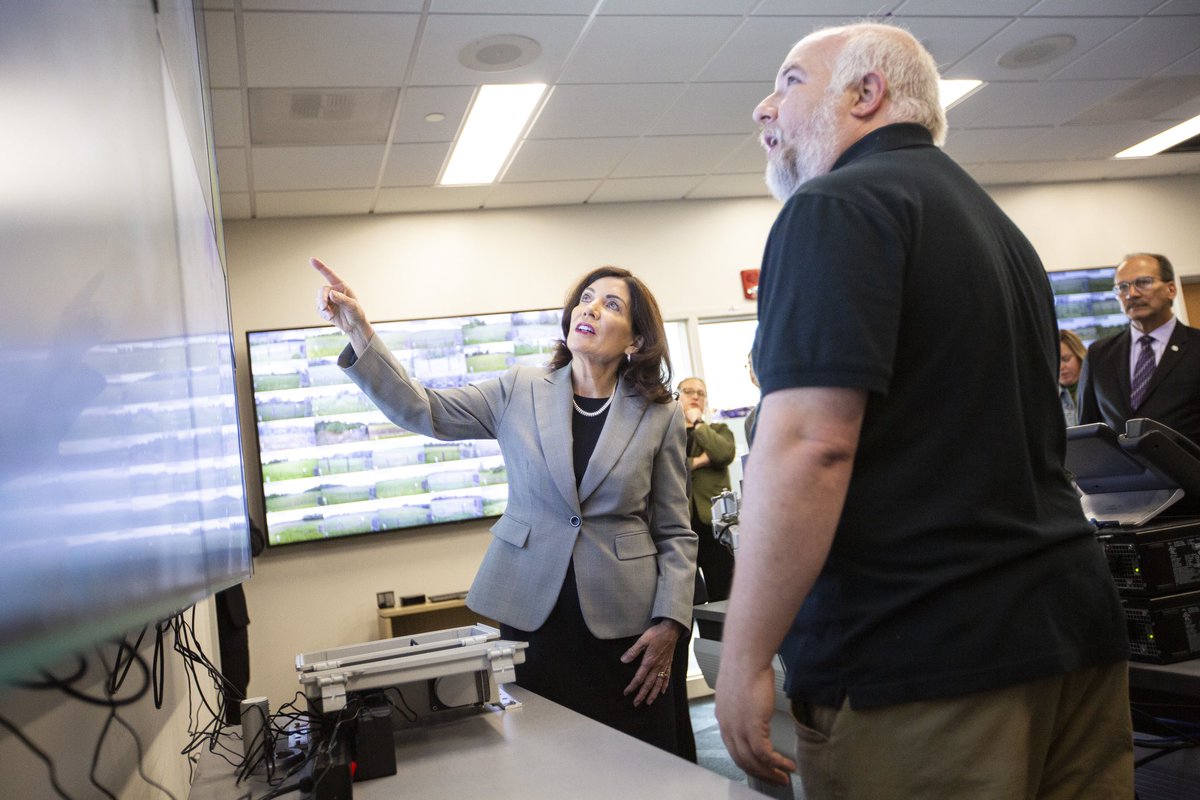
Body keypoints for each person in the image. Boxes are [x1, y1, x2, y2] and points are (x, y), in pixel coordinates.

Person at [715, 22, 1131, 799]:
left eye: (791, 82)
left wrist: (741, 660)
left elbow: (810, 447)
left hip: (926, 664)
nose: (763, 109)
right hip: (1069, 637)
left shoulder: (832, 207)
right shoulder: (998, 229)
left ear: (866, 95)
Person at [311, 259, 697, 756]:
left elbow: (675, 532)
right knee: (547, 757)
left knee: (638, 761)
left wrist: (670, 622)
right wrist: (361, 333)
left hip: (627, 621)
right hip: (533, 610)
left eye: (611, 304)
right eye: (586, 297)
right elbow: (422, 408)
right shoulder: (519, 389)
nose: (591, 308)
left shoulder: (660, 415)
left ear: (636, 341)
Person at [1077, 253, 1200, 445]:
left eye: (1143, 282)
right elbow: (1087, 430)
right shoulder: (1098, 354)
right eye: (1122, 287)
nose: (1131, 294)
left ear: (1171, 289)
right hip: (1120, 474)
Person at [678, 377, 737, 601]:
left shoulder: (719, 430)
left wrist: (698, 423)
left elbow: (723, 453)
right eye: (688, 391)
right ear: (678, 396)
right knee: (689, 599)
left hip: (716, 527)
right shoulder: (669, 434)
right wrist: (701, 461)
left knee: (724, 596)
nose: (695, 396)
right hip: (682, 527)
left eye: (700, 393)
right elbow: (669, 466)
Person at [1058, 329, 1086, 426]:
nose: (1061, 367)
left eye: (1066, 359)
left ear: (1079, 356)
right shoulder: (1045, 397)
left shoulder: (1100, 389)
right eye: (1056, 362)